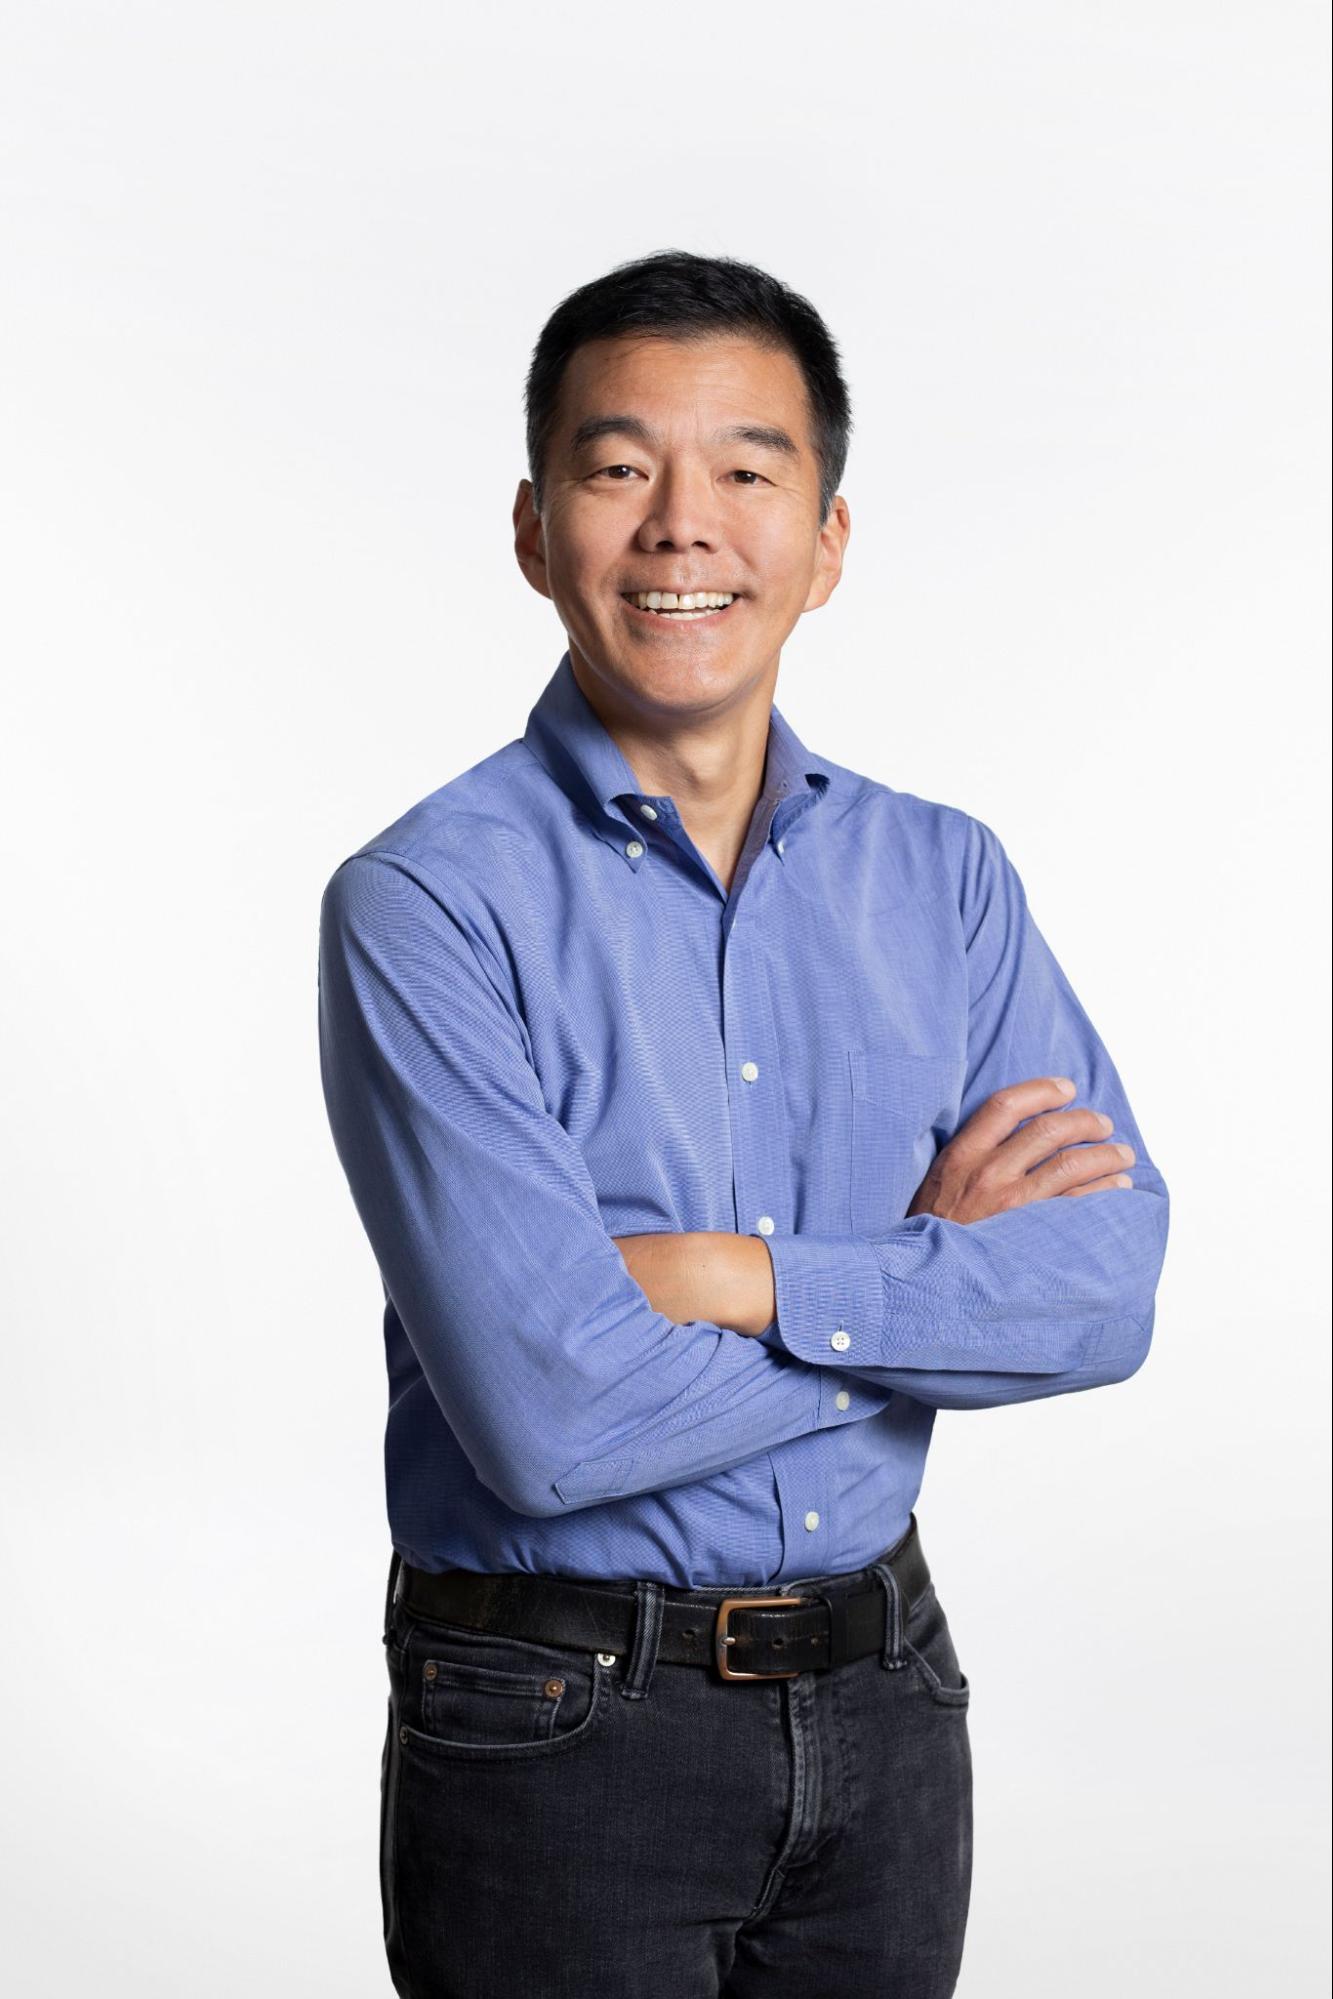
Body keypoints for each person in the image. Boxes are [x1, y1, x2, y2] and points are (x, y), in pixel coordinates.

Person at [316, 249, 1169, 1999]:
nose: (681, 527)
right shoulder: (425, 906)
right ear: (535, 526)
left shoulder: (942, 877)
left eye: (747, 473)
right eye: (619, 469)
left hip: (889, 1698)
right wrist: (926, 1297)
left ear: (827, 542)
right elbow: (548, 1420)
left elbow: (1103, 1295)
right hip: (560, 1727)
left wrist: (720, 1275)